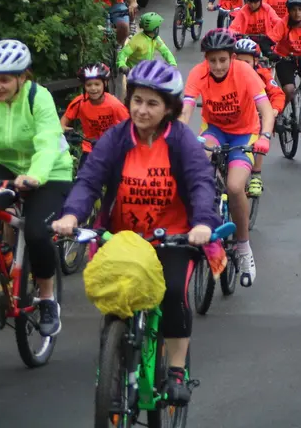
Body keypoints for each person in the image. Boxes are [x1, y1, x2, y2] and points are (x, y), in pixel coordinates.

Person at [53, 60, 219, 406]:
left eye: (152, 103)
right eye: (137, 101)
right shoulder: (116, 138)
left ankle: (176, 370)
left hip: (174, 236)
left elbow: (201, 183)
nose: (142, 110)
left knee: (173, 292)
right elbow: (90, 179)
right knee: (116, 293)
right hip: (123, 237)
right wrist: (71, 214)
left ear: (169, 108)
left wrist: (203, 223)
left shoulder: (181, 141)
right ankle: (114, 357)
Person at [0, 40, 73, 337]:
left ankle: (47, 299)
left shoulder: (39, 97)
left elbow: (47, 141)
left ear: (22, 77)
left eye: (5, 79)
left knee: (37, 232)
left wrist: (35, 176)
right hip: (5, 165)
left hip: (50, 171)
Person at [182, 29, 274, 285]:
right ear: (206, 60)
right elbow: (186, 110)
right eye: (212, 60)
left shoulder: (244, 72)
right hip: (214, 130)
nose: (218, 66)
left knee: (234, 187)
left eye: (223, 60)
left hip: (245, 133)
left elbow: (266, 110)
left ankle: (244, 248)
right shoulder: (198, 73)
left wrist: (265, 136)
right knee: (198, 166)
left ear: (232, 57)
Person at [234, 37, 285, 195]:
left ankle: (256, 174)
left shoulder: (263, 75)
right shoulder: (229, 73)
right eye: (238, 61)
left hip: (256, 115)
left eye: (247, 62)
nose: (242, 65)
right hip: (234, 115)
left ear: (255, 62)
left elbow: (277, 94)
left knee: (260, 135)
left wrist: (274, 110)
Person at [60, 63, 129, 172]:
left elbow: (129, 126)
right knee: (83, 179)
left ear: (105, 84)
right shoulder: (80, 102)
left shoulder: (114, 105)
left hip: (112, 149)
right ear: (84, 86)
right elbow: (64, 121)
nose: (93, 88)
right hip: (90, 148)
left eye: (97, 84)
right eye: (89, 85)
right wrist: (64, 128)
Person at [117, 12, 177, 87]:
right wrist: (122, 65)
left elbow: (165, 51)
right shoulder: (136, 41)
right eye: (158, 27)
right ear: (155, 29)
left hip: (147, 71)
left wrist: (172, 63)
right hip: (133, 73)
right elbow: (123, 53)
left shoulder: (156, 39)